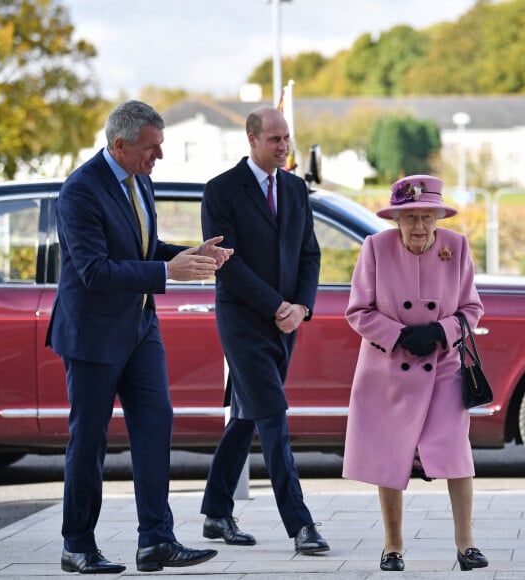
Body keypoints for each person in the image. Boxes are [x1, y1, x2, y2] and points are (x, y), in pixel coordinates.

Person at [46, 100, 232, 574]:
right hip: (91, 335)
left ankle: (156, 541)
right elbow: (94, 271)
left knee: (155, 428)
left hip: (140, 328)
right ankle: (77, 546)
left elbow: (143, 250)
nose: (159, 158)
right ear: (120, 145)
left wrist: (193, 255)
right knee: (88, 443)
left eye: (160, 147)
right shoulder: (79, 192)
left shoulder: (138, 178)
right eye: (152, 149)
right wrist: (167, 273)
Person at [342, 174, 489, 572]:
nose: (419, 226)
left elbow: (472, 308)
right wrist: (400, 335)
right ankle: (393, 546)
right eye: (410, 218)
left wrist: (441, 330)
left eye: (427, 216)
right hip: (388, 369)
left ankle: (467, 544)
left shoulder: (456, 247)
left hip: (442, 367)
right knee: (390, 454)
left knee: (455, 451)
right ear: (396, 220)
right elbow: (357, 311)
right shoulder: (375, 248)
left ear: (439, 216)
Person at [199, 106, 329, 555]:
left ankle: (216, 512)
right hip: (242, 321)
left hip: (286, 322)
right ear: (251, 139)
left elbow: (309, 254)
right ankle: (301, 525)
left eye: (287, 137)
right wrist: (277, 305)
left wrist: (301, 308)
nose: (283, 145)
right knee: (273, 415)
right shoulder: (221, 191)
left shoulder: (294, 188)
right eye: (274, 139)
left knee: (247, 415)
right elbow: (226, 264)